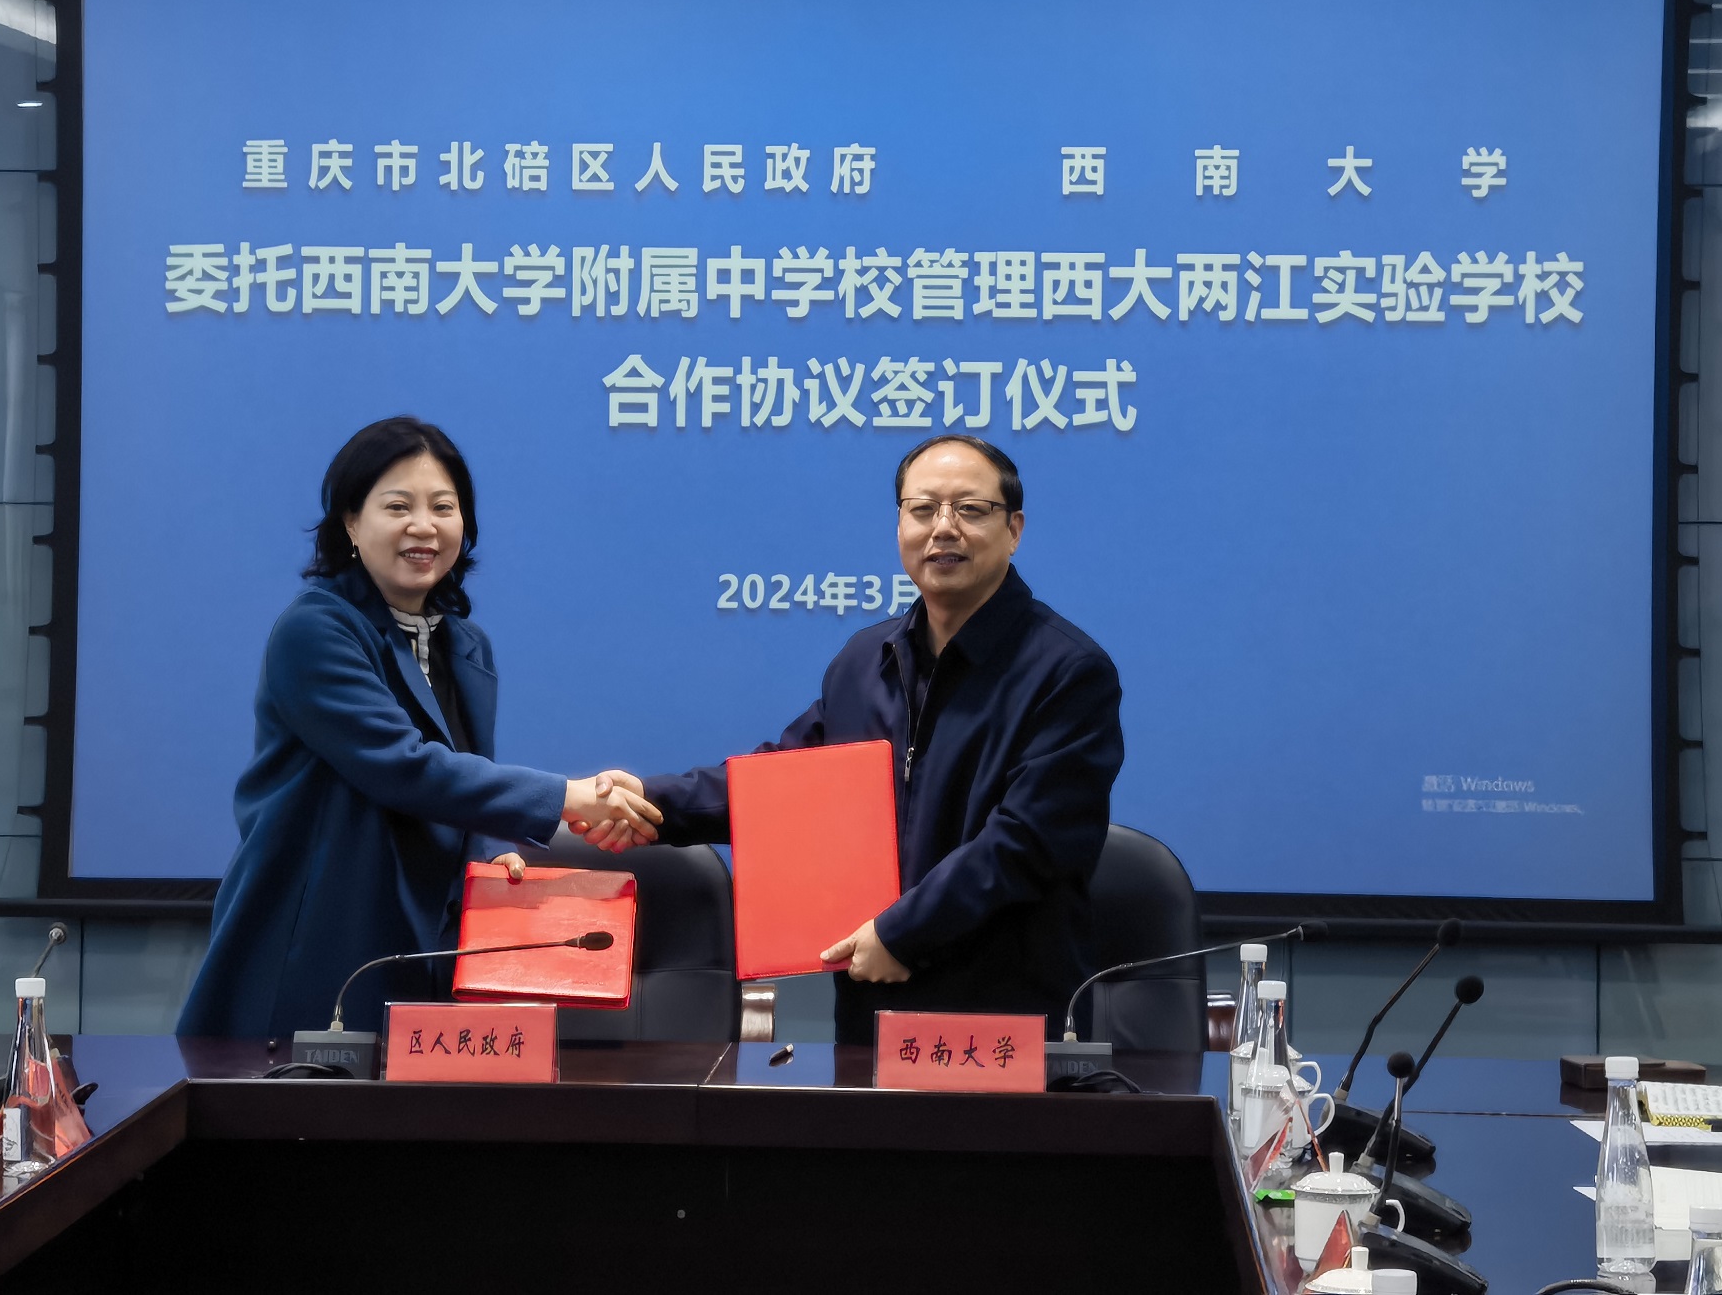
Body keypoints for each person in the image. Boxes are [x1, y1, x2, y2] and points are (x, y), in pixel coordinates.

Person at [590, 436, 1123, 1045]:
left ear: (1014, 530)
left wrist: (903, 933)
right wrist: (649, 802)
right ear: (900, 524)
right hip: (871, 1011)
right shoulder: (866, 659)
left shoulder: (1067, 671)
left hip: (1002, 1016)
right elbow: (784, 785)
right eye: (922, 509)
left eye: (970, 510)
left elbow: (1026, 843)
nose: (943, 528)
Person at [177, 417, 660, 1038]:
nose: (424, 526)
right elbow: (405, 767)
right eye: (398, 506)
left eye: (443, 507)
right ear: (351, 523)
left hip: (424, 942)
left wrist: (488, 847)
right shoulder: (316, 630)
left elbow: (465, 779)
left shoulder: (465, 643)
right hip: (318, 938)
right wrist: (570, 797)